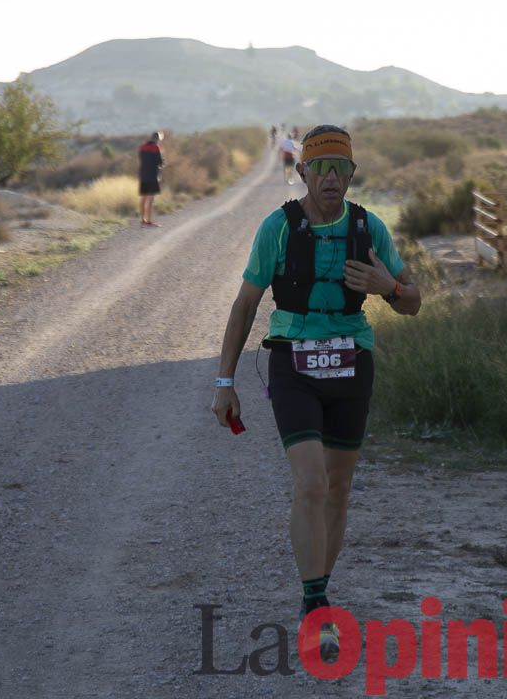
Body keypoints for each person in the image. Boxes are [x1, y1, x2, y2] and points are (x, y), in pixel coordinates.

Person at [211, 124, 421, 661]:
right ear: (302, 171)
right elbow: (244, 307)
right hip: (293, 362)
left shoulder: (369, 228)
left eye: (340, 169)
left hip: (352, 362)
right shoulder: (277, 228)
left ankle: (319, 586)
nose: (330, 178)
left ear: (352, 175)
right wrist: (224, 381)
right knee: (309, 484)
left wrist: (389, 288)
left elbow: (412, 299)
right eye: (320, 167)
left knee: (338, 487)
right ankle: (316, 604)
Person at [138, 131, 165, 227]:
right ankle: (149, 221)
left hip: (143, 174)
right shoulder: (156, 148)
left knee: (143, 197)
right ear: (158, 139)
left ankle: (142, 219)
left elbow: (142, 159)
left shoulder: (142, 147)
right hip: (152, 175)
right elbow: (160, 162)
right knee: (150, 198)